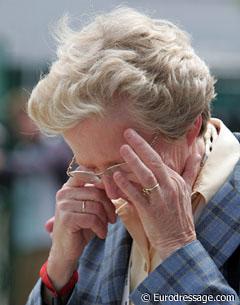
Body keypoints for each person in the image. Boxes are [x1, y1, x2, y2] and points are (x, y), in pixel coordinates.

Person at [26, 7, 240, 305]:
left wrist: (177, 247)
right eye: (89, 168)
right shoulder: (95, 214)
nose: (111, 191)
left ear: (189, 129)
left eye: (121, 166)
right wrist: (59, 272)